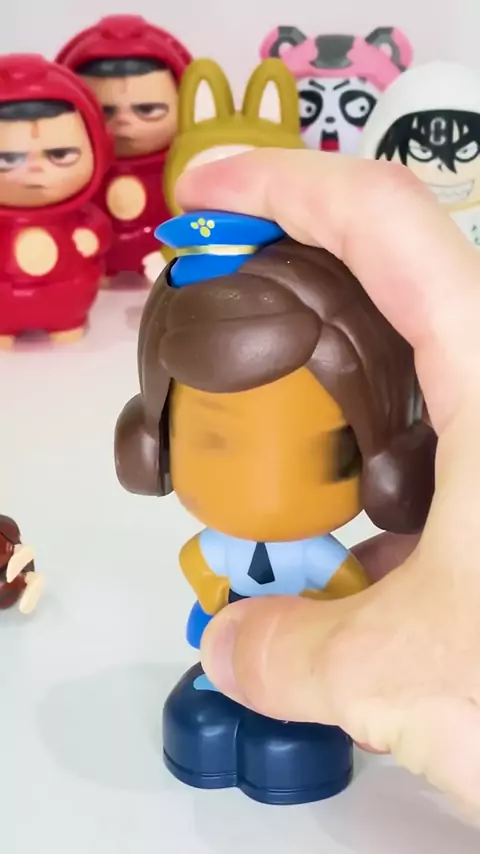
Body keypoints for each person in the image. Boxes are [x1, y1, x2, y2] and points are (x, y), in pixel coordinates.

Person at [171, 146, 480, 817]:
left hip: (301, 651)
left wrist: (326, 635)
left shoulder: (317, 558)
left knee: (295, 739)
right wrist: (214, 605)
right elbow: (196, 560)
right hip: (225, 645)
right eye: (212, 442)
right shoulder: (222, 545)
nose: (259, 486)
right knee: (203, 711)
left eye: (318, 452)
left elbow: (346, 590)